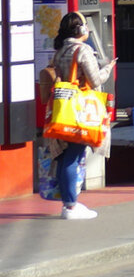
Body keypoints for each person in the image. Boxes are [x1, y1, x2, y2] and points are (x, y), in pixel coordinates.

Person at [48, 12, 116, 219]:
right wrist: (108, 68)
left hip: (62, 109)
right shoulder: (83, 49)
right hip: (80, 112)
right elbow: (95, 81)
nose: (87, 28)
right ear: (80, 30)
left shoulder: (60, 51)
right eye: (85, 25)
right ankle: (71, 205)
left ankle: (67, 203)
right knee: (73, 155)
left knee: (63, 156)